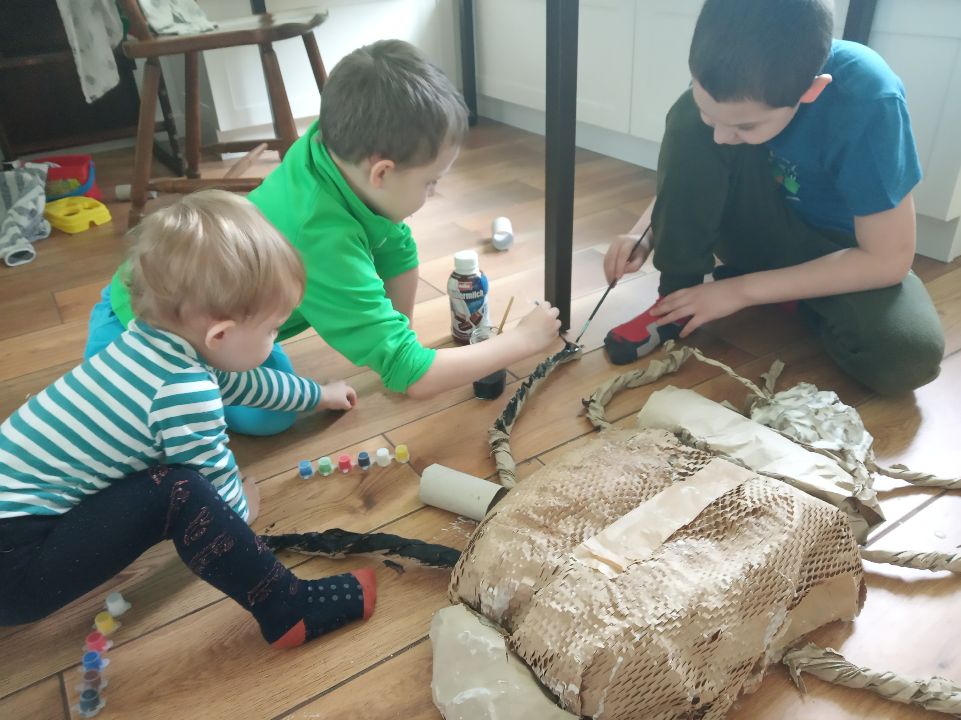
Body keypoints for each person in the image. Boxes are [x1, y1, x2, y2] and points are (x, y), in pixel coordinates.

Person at [88, 39, 562, 436]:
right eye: (431, 182)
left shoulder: (330, 145)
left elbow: (397, 248)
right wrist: (523, 340)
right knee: (262, 418)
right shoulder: (319, 234)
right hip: (148, 327)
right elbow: (413, 378)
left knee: (277, 402)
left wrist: (394, 343)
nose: (434, 193)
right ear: (381, 172)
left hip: (224, 324)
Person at [0, 191, 373, 649]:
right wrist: (239, 509)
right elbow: (209, 478)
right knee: (180, 489)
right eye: (273, 329)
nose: (276, 337)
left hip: (16, 521)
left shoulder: (151, 344)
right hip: (14, 565)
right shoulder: (182, 391)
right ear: (220, 334)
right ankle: (288, 607)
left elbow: (247, 384)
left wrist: (319, 395)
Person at [602, 0, 944, 396]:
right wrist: (645, 232)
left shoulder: (869, 99)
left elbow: (887, 259)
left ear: (812, 90)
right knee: (687, 116)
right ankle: (676, 302)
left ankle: (787, 294)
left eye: (746, 127)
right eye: (709, 115)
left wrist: (740, 291)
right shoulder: (725, 78)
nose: (721, 137)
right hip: (756, 229)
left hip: (840, 252)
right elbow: (694, 168)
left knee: (907, 353)